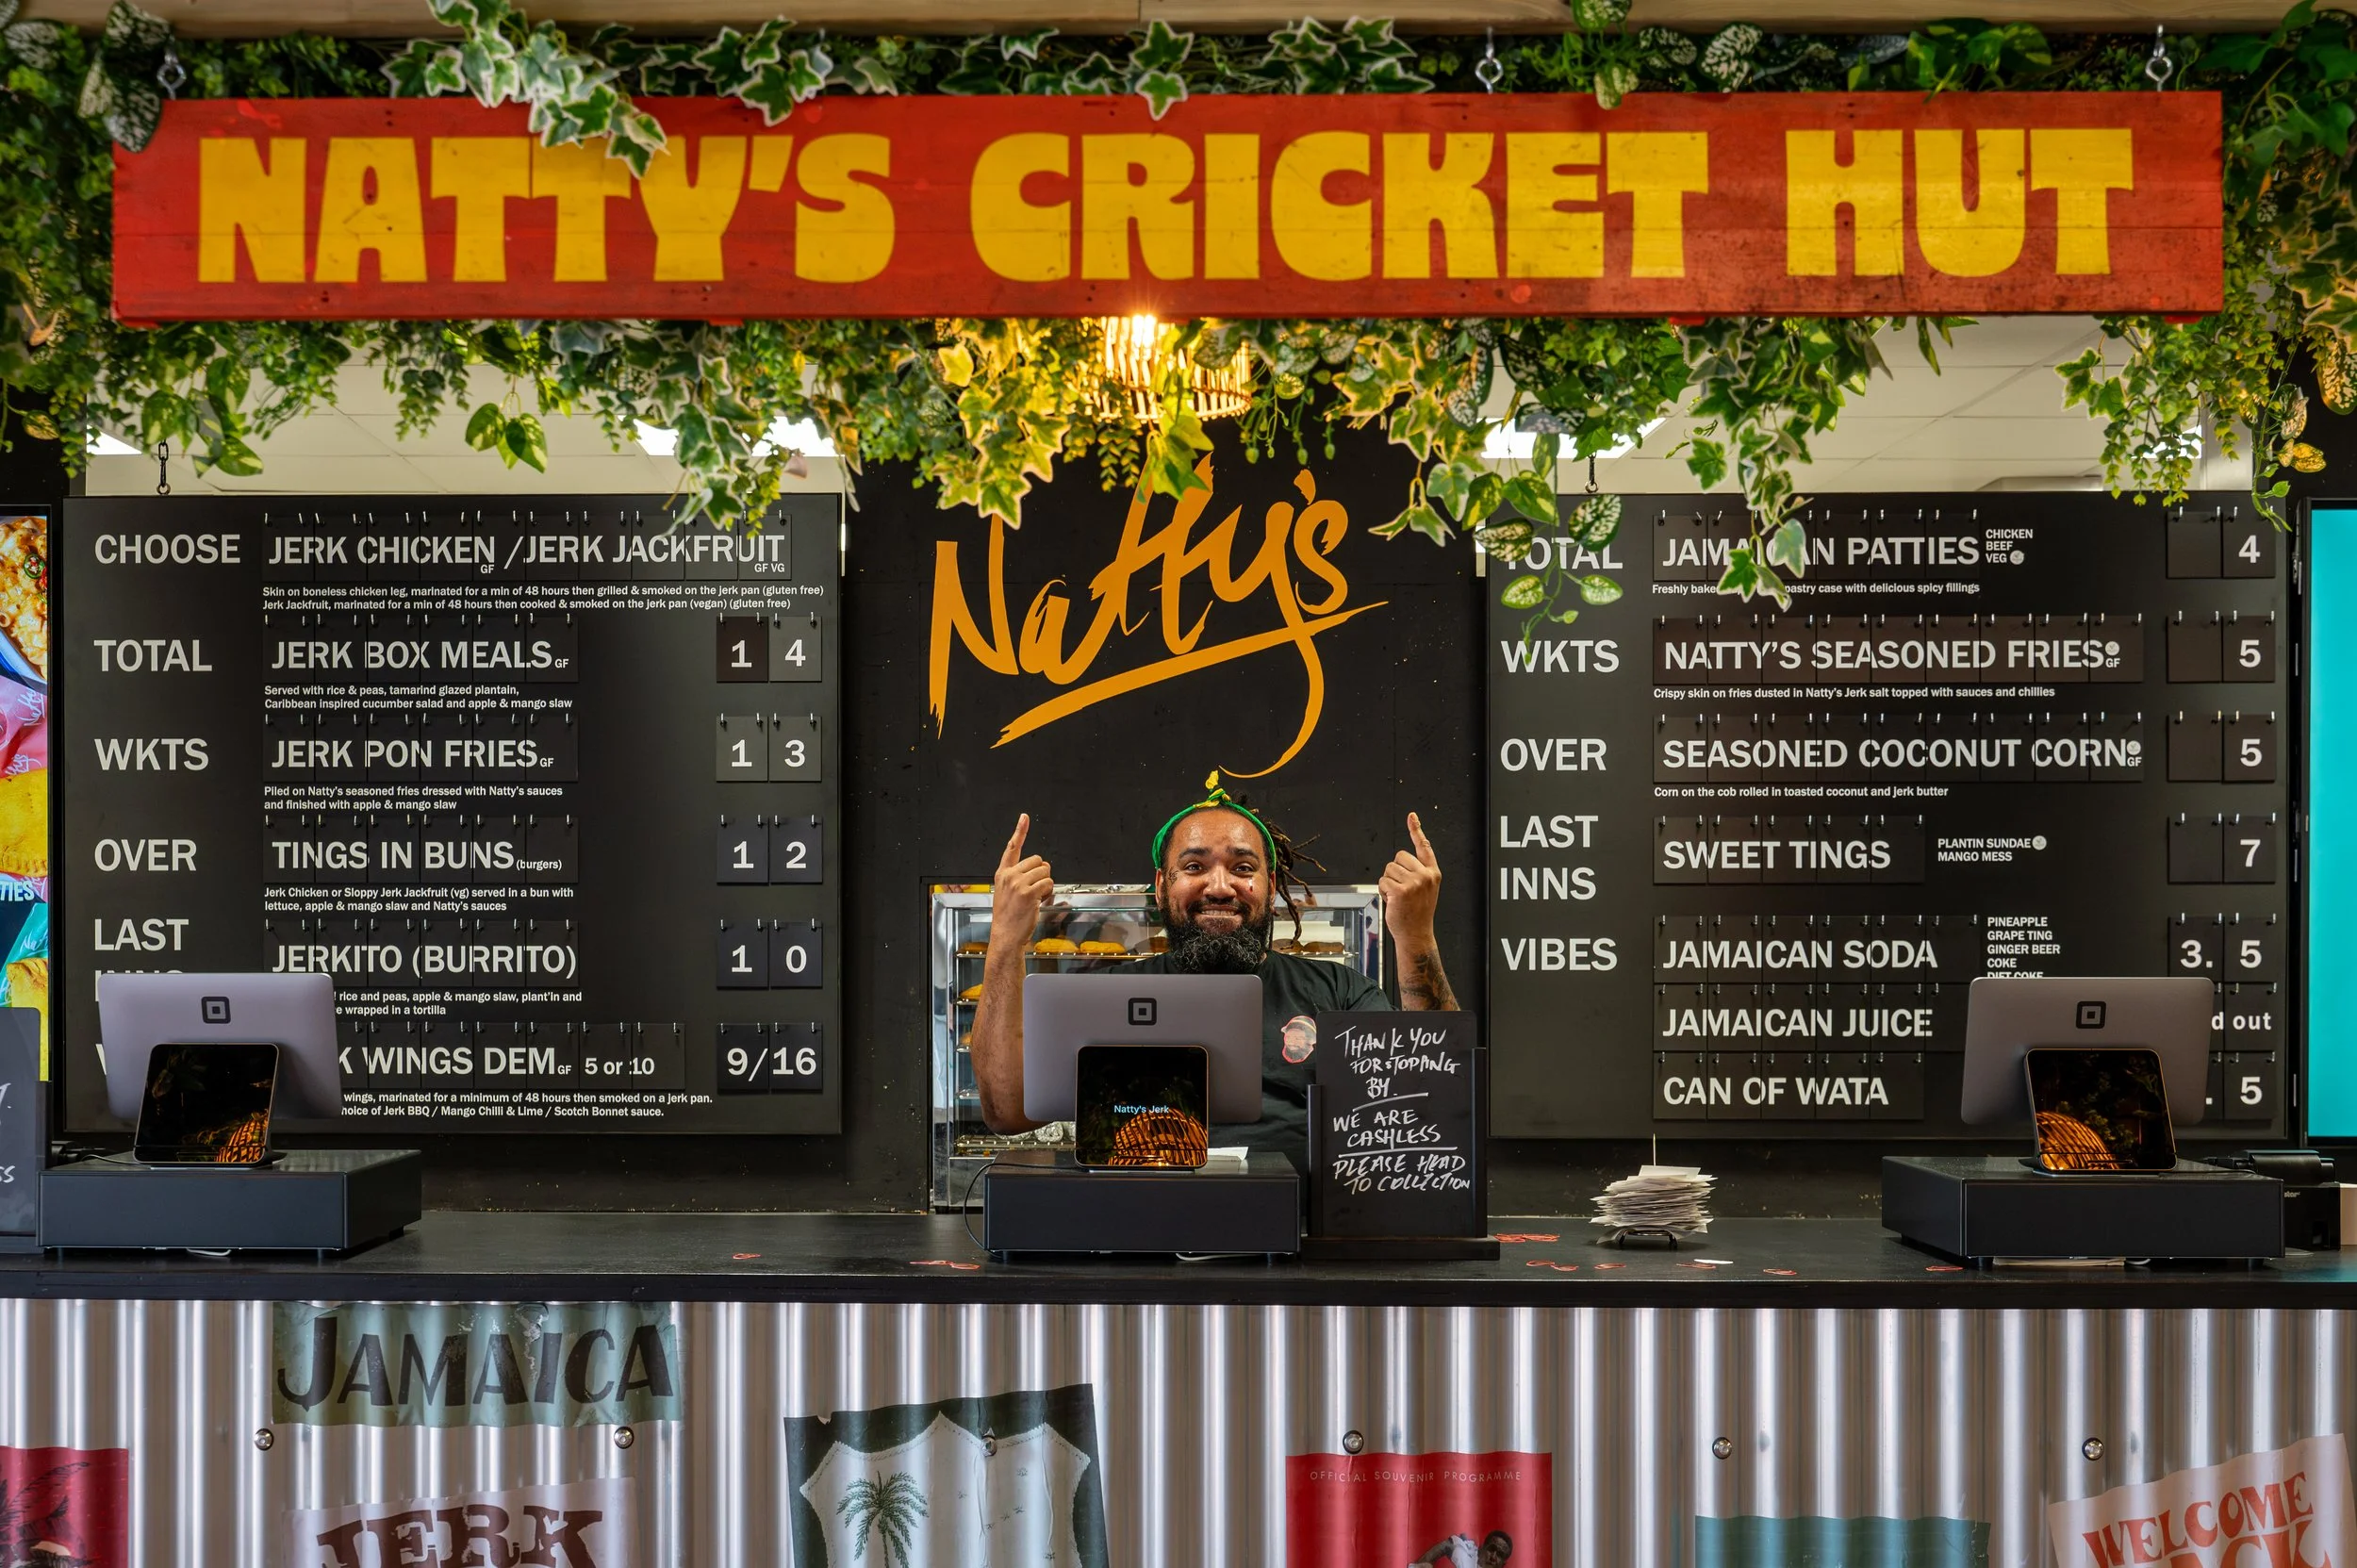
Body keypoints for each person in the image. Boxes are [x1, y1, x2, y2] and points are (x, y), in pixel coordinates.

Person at [969, 773, 1457, 1164]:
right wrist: (1006, 941)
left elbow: (1432, 1103)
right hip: (1138, 1237)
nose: (1220, 886)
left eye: (1243, 868)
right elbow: (1007, 1113)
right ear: (1162, 885)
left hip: (1298, 1239)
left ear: (1270, 885)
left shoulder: (1340, 994)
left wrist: (1415, 937)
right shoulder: (1102, 994)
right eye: (1195, 867)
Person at [1412, 1530, 1513, 1568]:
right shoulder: (1466, 1557)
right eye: (1491, 1549)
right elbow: (1448, 1545)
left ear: (1503, 1565)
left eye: (1500, 1555)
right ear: (1481, 1549)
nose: (1493, 1557)